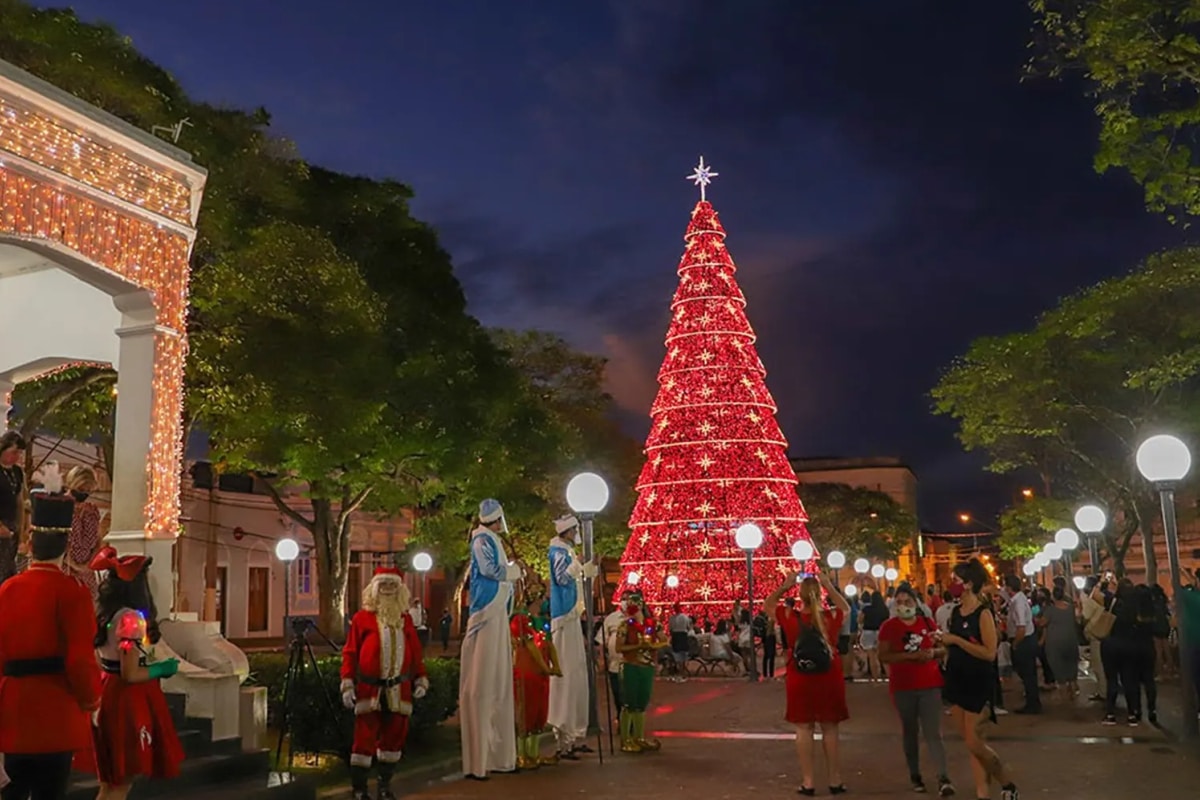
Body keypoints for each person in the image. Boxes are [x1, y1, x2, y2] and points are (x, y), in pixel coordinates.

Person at [0, 475, 101, 800]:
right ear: (65, 547)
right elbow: (80, 659)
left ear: (31, 545)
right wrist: (91, 699)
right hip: (56, 711)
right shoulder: (73, 593)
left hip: (13, 709)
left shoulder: (7, 589)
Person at [89, 545, 184, 799]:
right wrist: (162, 669)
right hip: (127, 701)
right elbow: (130, 673)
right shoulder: (131, 619)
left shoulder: (106, 614)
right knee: (122, 782)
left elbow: (99, 661)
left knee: (109, 782)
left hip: (107, 690)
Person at [341, 566, 429, 800]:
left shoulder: (406, 619)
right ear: (375, 588)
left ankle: (384, 787)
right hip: (369, 689)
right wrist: (348, 683)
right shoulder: (362, 619)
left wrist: (420, 677)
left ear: (399, 590)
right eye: (384, 586)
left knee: (393, 740)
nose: (388, 590)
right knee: (364, 740)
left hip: (400, 690)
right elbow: (350, 653)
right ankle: (359, 789)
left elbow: (415, 653)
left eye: (393, 586)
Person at [767, 571, 850, 797]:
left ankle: (809, 781)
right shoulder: (831, 617)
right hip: (829, 676)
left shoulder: (789, 615)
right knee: (830, 728)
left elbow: (767, 605)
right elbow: (846, 608)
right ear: (820, 594)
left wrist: (784, 586)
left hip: (800, 676)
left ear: (800, 596)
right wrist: (829, 585)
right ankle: (835, 779)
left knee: (803, 728)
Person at [942, 559, 1020, 800]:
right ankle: (982, 792)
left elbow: (988, 652)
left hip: (977, 681)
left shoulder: (983, 613)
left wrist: (956, 641)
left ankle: (1007, 783)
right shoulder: (955, 612)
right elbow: (951, 646)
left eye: (956, 580)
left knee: (976, 742)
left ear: (968, 584)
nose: (951, 585)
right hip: (956, 679)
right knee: (968, 742)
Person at [459, 499, 522, 780]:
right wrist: (514, 570)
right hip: (486, 612)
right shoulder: (482, 540)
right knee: (483, 681)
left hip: (496, 613)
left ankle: (498, 755)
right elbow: (489, 570)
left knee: (497, 681)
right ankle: (481, 758)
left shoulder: (489, 538)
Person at [879, 583, 954, 796]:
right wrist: (910, 657)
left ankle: (943, 777)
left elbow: (943, 648)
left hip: (929, 684)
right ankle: (915, 775)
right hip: (903, 686)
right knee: (910, 731)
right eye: (899, 602)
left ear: (916, 603)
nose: (904, 606)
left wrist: (933, 653)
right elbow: (883, 655)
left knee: (933, 733)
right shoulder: (889, 627)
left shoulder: (927, 623)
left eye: (908, 602)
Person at [546, 515, 595, 759]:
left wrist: (584, 571)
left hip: (573, 616)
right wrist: (579, 567)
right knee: (567, 674)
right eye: (575, 529)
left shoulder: (566, 551)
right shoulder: (558, 551)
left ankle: (575, 734)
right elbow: (562, 578)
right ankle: (562, 736)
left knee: (577, 674)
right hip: (564, 618)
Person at [512, 584, 560, 769]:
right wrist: (545, 667)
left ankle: (534, 753)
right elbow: (531, 646)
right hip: (527, 671)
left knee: (540, 712)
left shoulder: (541, 621)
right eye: (540, 599)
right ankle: (522, 754)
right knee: (526, 713)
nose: (542, 603)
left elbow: (548, 644)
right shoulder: (520, 620)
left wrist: (555, 666)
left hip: (541, 674)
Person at [615, 591, 669, 753]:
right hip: (631, 665)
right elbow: (619, 647)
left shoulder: (652, 625)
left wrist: (653, 647)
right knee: (629, 702)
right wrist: (637, 647)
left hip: (647, 666)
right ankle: (626, 739)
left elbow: (664, 640)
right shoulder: (625, 626)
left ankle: (639, 737)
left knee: (642, 702)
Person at [1003, 574, 1040, 714]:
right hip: (1025, 639)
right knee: (1027, 673)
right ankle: (1032, 701)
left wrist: (1015, 644)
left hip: (1023, 641)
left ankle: (1032, 703)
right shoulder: (1017, 599)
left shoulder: (1018, 602)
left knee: (1027, 673)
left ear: (1009, 587)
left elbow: (1021, 627)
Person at [64, 466, 102, 602]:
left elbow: (98, 539)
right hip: (66, 566)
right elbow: (58, 538)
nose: (85, 493)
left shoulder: (91, 510)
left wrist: (90, 563)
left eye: (88, 490)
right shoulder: (61, 506)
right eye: (81, 489)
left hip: (88, 567)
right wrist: (74, 565)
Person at [1042, 585, 1080, 703]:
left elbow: (1042, 623)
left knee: (1057, 665)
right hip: (1071, 640)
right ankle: (1073, 688)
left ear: (1053, 596)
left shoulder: (1050, 610)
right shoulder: (1071, 608)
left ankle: (1063, 691)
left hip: (1055, 642)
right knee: (1072, 664)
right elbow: (1078, 619)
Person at [0, 431, 26, 586]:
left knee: (10, 571)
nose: (16, 457)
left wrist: (22, 529)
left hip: (12, 527)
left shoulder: (17, 472)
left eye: (19, 453)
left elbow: (19, 500)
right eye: (14, 452)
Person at [859, 588, 887, 682]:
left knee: (872, 657)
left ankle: (875, 678)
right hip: (881, 632)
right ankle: (888, 676)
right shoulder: (885, 610)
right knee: (882, 656)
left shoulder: (867, 609)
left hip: (868, 632)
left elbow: (860, 620)